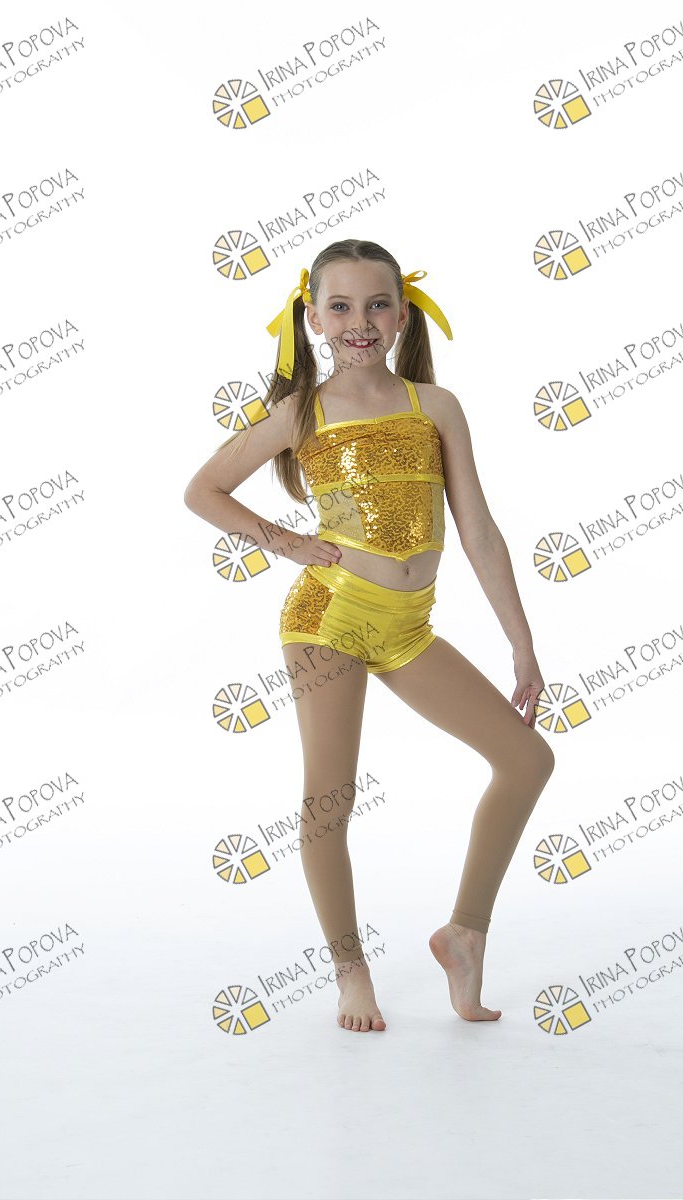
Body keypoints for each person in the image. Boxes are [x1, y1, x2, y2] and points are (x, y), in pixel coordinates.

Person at [184, 238, 555, 1034]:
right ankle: (350, 972)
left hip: (409, 626)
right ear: (314, 318)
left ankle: (464, 935)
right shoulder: (303, 412)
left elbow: (479, 532)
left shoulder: (436, 406)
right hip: (329, 616)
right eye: (342, 307)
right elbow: (204, 489)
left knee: (528, 760)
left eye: (377, 304)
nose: (360, 321)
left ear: (403, 314)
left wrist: (520, 643)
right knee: (330, 800)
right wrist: (287, 543)